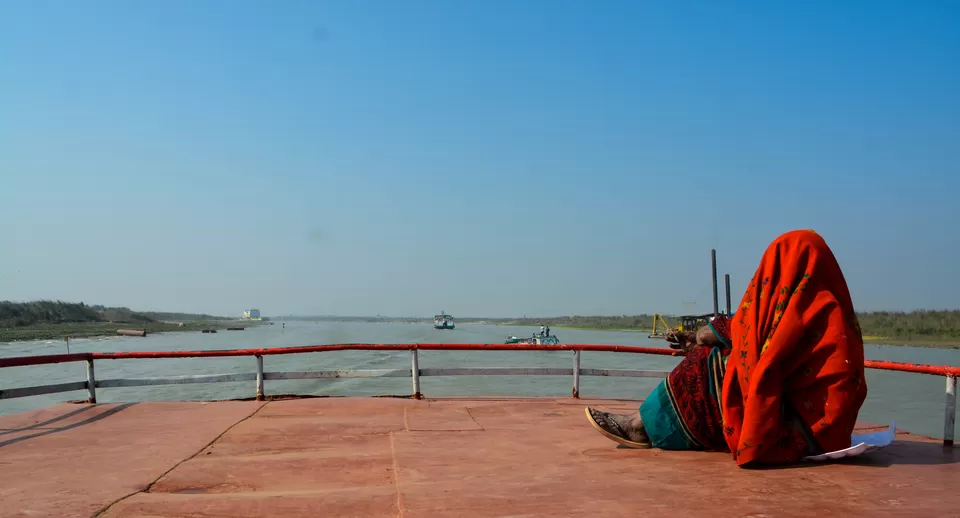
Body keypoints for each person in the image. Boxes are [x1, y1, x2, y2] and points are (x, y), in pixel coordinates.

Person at [585, 230, 867, 467]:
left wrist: (707, 335)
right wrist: (714, 336)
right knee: (725, 359)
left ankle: (640, 427)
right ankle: (644, 422)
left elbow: (754, 338)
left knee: (710, 363)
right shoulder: (835, 315)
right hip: (826, 433)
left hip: (794, 432)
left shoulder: (804, 309)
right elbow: (761, 340)